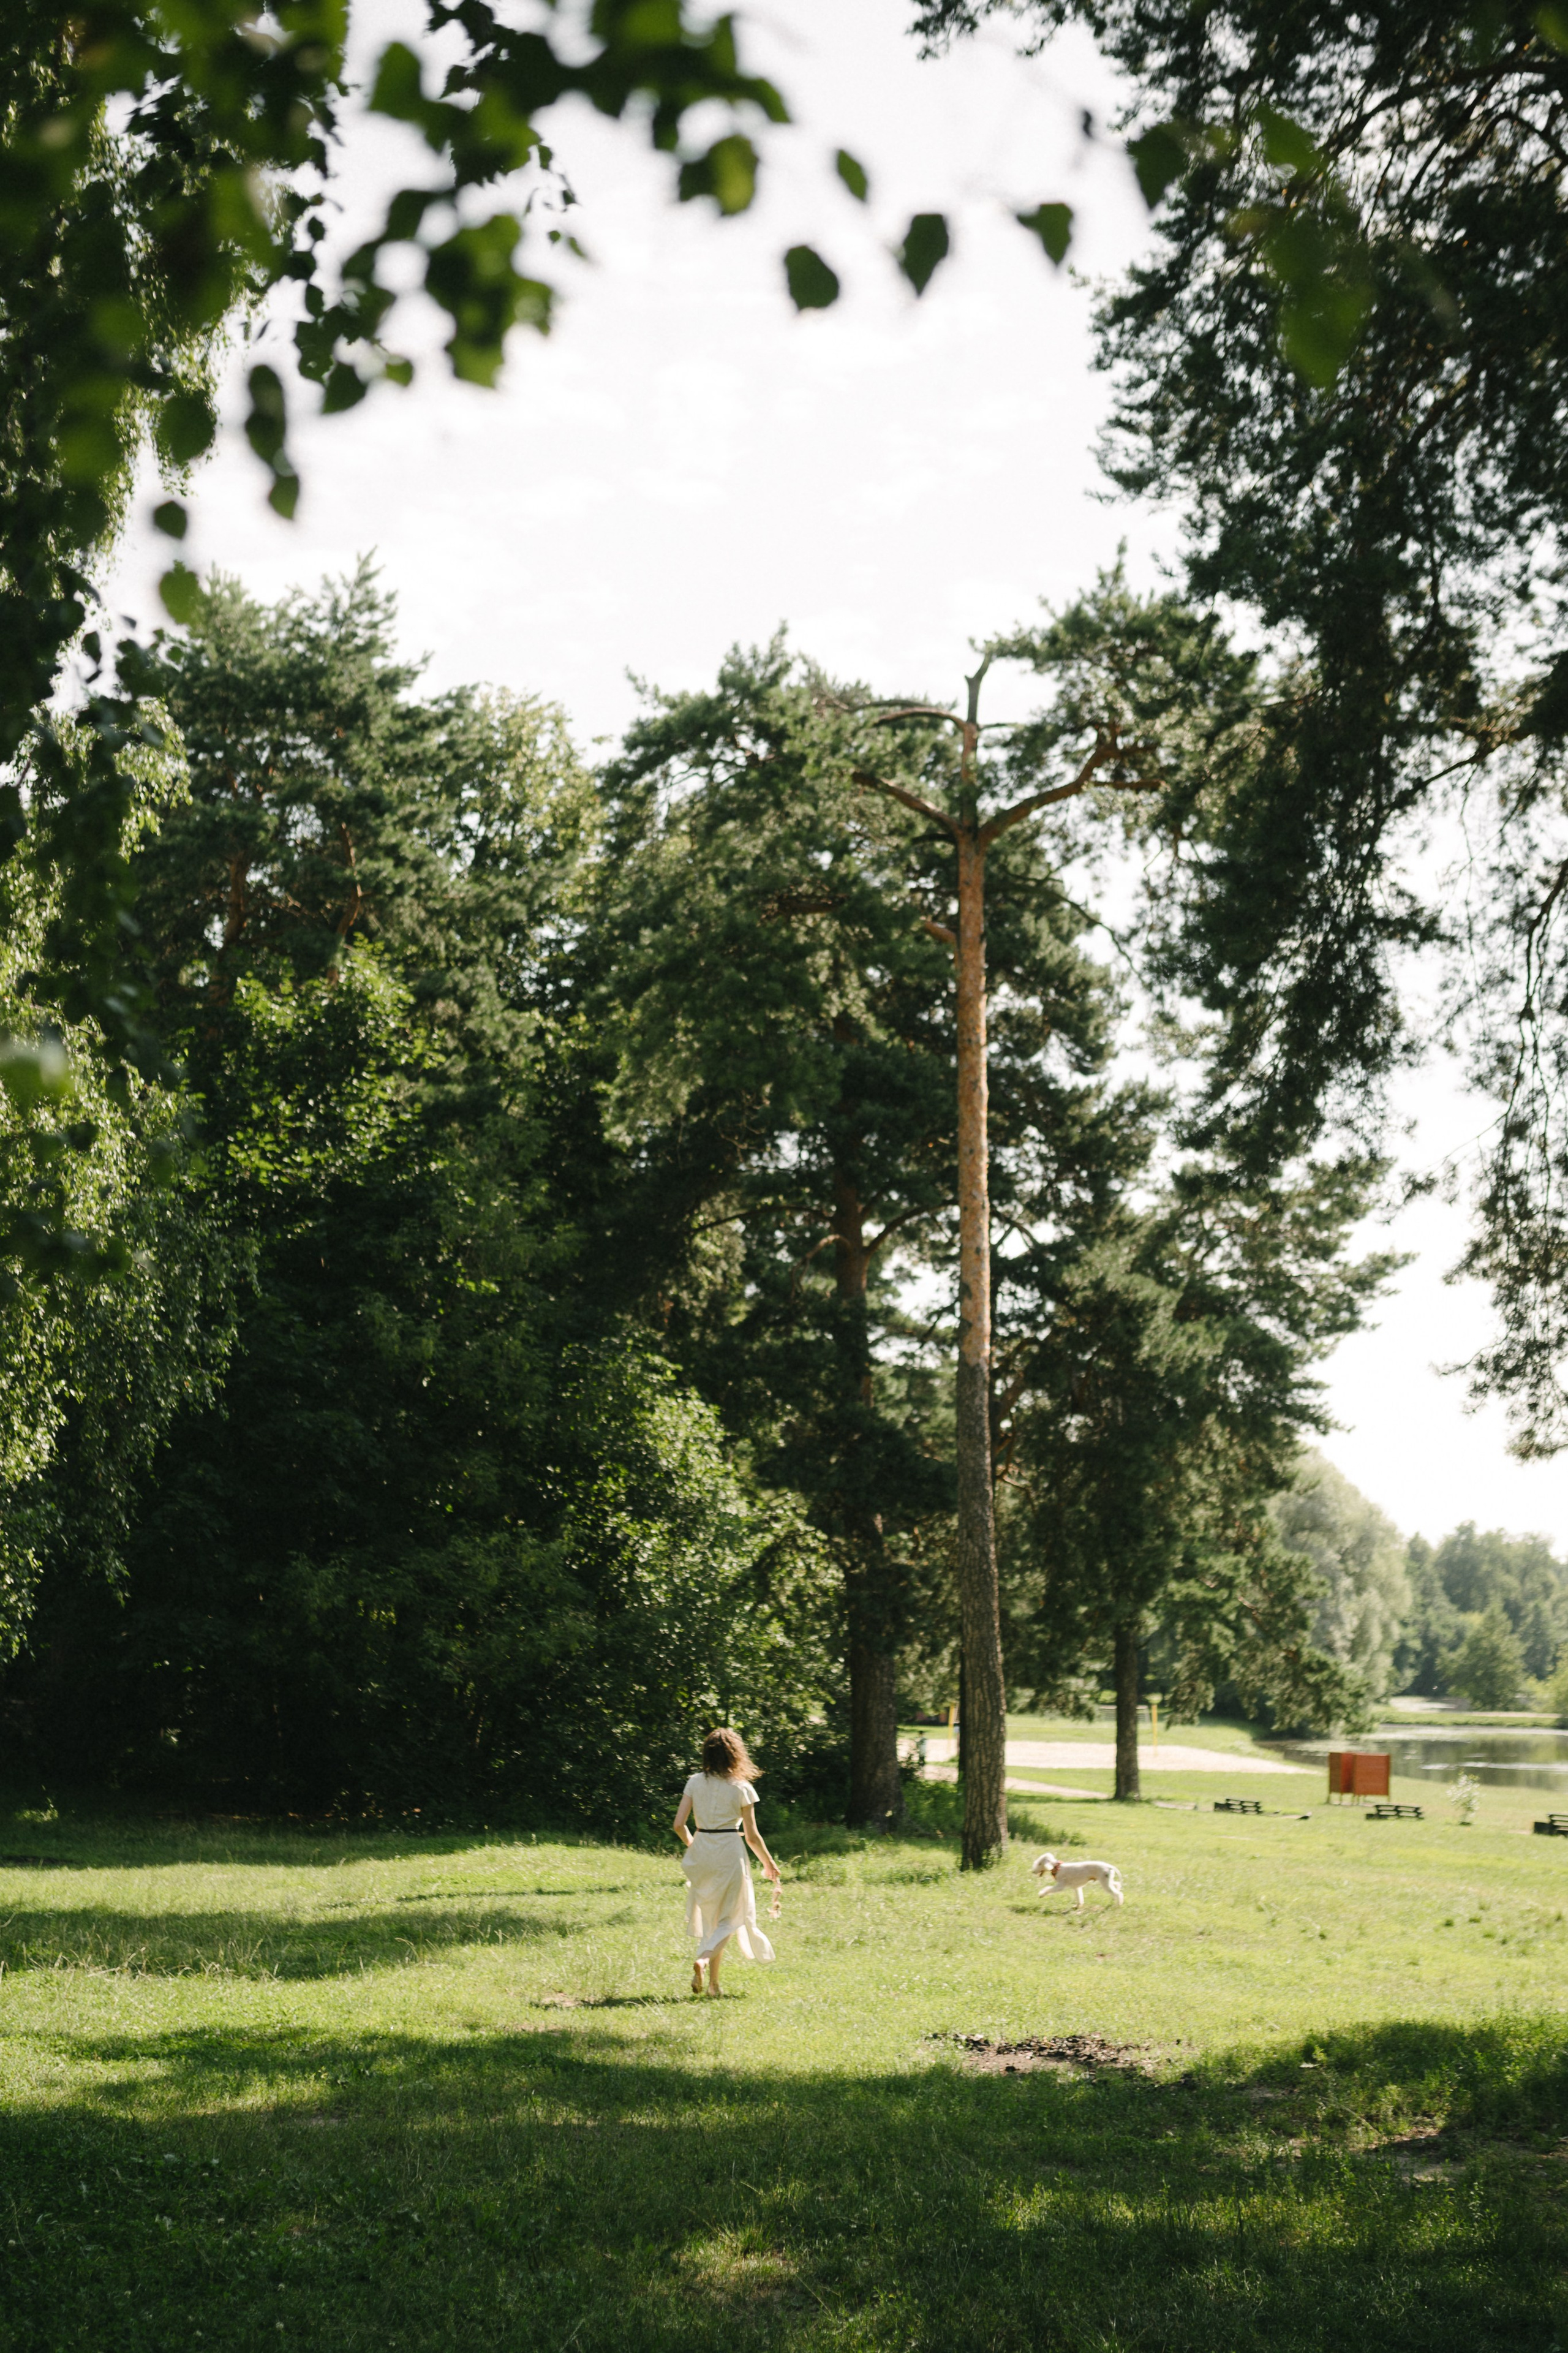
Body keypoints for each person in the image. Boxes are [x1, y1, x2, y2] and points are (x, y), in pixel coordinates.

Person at [673, 1726, 781, 1996]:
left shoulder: (695, 1781)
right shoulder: (742, 1787)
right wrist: (769, 1864)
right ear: (736, 1754)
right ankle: (704, 1958)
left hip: (702, 1851)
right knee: (732, 1917)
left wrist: (694, 1846)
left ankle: (714, 1986)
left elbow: (678, 1825)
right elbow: (753, 1837)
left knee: (715, 1920)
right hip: (729, 1852)